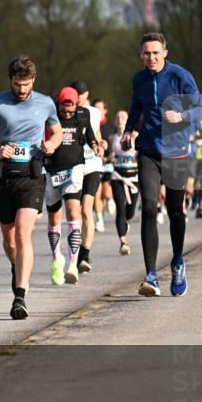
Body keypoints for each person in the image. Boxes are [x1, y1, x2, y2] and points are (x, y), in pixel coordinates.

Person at [0, 56, 62, 319]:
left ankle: (20, 296)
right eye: (17, 84)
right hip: (3, 177)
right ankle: (16, 265)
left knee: (23, 234)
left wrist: (51, 146)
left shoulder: (45, 103)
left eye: (26, 84)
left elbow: (55, 133)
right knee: (10, 240)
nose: (22, 90)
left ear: (34, 80)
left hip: (32, 176)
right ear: (10, 80)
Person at [120, 32, 202, 297]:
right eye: (146, 53)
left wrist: (181, 115)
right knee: (148, 207)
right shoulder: (139, 79)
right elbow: (136, 108)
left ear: (165, 53)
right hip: (148, 151)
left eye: (156, 53)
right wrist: (128, 130)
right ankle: (150, 275)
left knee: (175, 212)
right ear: (141, 55)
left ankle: (178, 261)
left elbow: (201, 108)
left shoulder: (180, 75)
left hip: (177, 152)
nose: (151, 58)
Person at [43, 88, 95, 285]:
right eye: (63, 109)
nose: (66, 113)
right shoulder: (50, 114)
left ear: (76, 104)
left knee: (74, 212)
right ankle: (57, 259)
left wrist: (96, 144)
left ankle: (73, 264)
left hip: (74, 169)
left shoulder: (83, 114)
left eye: (70, 108)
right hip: (52, 170)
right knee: (54, 218)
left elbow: (89, 134)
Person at [70, 81, 106, 273]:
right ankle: (75, 252)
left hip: (92, 164)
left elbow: (97, 133)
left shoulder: (93, 112)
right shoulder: (66, 111)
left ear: (87, 94)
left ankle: (85, 254)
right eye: (76, 93)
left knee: (86, 209)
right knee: (75, 211)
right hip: (74, 166)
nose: (80, 97)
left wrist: (101, 143)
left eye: (82, 93)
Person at [109, 109, 139, 255]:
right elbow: (109, 155)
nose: (120, 119)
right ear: (115, 121)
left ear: (128, 120)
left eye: (123, 117)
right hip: (117, 177)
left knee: (130, 212)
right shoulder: (111, 138)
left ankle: (125, 221)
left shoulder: (135, 136)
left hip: (134, 179)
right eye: (118, 117)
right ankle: (123, 242)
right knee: (120, 208)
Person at [94, 98, 117, 227]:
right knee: (97, 193)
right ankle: (99, 219)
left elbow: (116, 144)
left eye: (99, 108)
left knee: (106, 192)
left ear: (105, 110)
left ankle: (110, 199)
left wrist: (112, 155)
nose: (97, 110)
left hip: (108, 163)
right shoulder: (90, 123)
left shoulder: (111, 126)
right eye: (95, 108)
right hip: (95, 162)